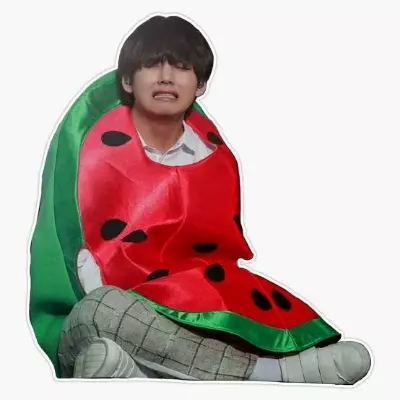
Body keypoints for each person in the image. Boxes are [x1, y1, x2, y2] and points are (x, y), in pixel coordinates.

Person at [30, 14, 371, 384]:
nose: (165, 76)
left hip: (189, 318)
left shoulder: (216, 161)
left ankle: (139, 373)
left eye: (181, 66)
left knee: (113, 352)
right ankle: (272, 372)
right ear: (127, 81)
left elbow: (219, 265)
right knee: (99, 310)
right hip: (103, 315)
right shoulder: (87, 153)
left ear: (201, 84)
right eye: (151, 65)